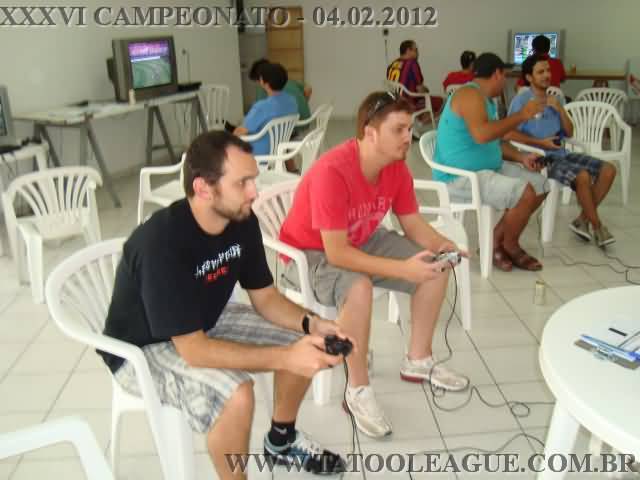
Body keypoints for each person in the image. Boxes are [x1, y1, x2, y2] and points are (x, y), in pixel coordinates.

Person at [100, 131, 351, 479]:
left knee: (306, 341)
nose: (254, 192)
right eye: (242, 183)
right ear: (203, 188)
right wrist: (285, 357)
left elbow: (265, 297)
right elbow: (194, 350)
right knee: (237, 395)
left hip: (203, 319)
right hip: (144, 348)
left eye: (254, 180)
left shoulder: (240, 220)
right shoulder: (160, 244)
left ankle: (281, 440)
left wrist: (312, 323)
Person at [278, 91, 469, 439]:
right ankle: (357, 391)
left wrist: (442, 245)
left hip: (360, 238)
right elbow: (337, 253)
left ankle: (418, 360)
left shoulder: (396, 167)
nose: (407, 137)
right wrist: (403, 270)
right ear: (370, 132)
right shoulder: (332, 171)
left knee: (434, 266)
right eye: (398, 130)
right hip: (309, 254)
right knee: (359, 286)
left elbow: (412, 223)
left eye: (409, 129)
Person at [434, 53, 548, 272]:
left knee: (540, 184)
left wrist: (521, 157)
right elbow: (482, 134)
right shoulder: (469, 94)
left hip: (485, 168)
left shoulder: (486, 100)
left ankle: (495, 241)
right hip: (460, 177)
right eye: (505, 76)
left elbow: (494, 141)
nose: (505, 82)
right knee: (525, 193)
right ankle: (511, 246)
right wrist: (522, 115)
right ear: (497, 74)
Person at [506, 54, 617, 247]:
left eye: (548, 70)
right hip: (541, 158)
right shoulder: (521, 101)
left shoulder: (556, 98)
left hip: (562, 154)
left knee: (609, 169)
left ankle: (582, 220)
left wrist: (559, 108)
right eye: (540, 72)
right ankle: (598, 226)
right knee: (582, 176)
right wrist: (540, 142)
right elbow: (509, 133)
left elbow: (569, 132)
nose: (546, 75)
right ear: (529, 77)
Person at [233, 62, 298, 157]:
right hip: (280, 150)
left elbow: (239, 132)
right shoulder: (292, 101)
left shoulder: (261, 107)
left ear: (264, 83)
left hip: (260, 153)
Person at [387, 40, 444, 125]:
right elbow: (420, 89)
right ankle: (423, 123)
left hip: (395, 102)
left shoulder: (392, 64)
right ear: (408, 51)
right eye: (415, 49)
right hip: (409, 103)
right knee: (442, 101)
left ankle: (418, 120)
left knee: (425, 100)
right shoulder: (412, 63)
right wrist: (427, 91)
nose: (417, 52)